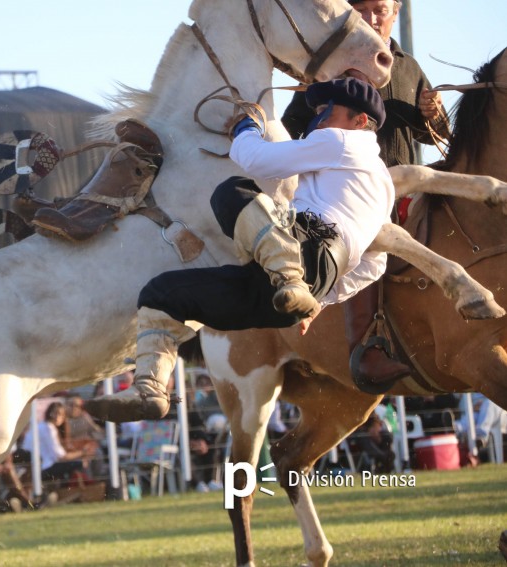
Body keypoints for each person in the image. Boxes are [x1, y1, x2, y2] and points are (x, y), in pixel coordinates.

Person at [87, 77, 394, 423]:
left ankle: (288, 276)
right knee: (160, 293)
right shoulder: (383, 187)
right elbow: (375, 264)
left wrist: (245, 128)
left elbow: (258, 160)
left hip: (302, 250)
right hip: (293, 289)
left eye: (327, 110)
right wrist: (319, 300)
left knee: (233, 191)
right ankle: (151, 389)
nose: (318, 118)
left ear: (361, 121)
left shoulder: (342, 140)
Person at [282, 0, 450, 394]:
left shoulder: (408, 67)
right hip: (348, 201)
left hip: (405, 192)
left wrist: (434, 114)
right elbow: (292, 128)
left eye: (382, 9)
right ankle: (365, 349)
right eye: (364, 9)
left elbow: (437, 135)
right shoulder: (330, 65)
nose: (374, 18)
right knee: (365, 242)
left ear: (395, 12)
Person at [21, 401, 96, 486]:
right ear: (49, 413)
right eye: (55, 413)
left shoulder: (43, 426)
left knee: (74, 463)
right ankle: (87, 487)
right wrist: (83, 452)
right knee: (81, 463)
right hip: (41, 469)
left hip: (36, 466)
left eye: (60, 414)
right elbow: (61, 456)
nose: (57, 417)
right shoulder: (49, 429)